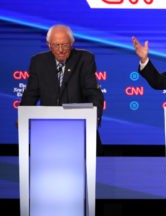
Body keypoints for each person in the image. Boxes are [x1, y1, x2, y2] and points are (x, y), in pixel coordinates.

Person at [19, 24, 105, 153]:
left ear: (72, 43)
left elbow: (94, 93)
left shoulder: (84, 59)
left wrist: (94, 119)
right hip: (48, 130)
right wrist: (23, 118)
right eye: (55, 45)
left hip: (80, 128)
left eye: (64, 45)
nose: (60, 50)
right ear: (48, 44)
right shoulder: (38, 62)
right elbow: (30, 94)